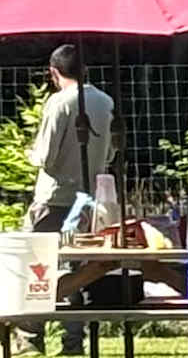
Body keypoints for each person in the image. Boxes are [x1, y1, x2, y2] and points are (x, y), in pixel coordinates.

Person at [25, 46, 118, 233]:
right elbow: (109, 155)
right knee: (82, 257)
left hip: (55, 198)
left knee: (40, 257)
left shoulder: (59, 102)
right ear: (84, 70)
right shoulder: (106, 101)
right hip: (90, 196)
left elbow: (46, 157)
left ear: (53, 72)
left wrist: (30, 154)